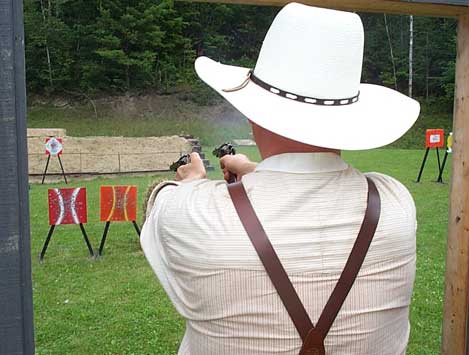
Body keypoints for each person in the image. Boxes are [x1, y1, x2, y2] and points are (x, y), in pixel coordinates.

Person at [141, 3, 420, 354]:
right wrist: (255, 172)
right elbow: (312, 198)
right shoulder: (394, 202)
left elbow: (160, 204)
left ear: (253, 115)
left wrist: (193, 181)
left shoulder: (188, 210)